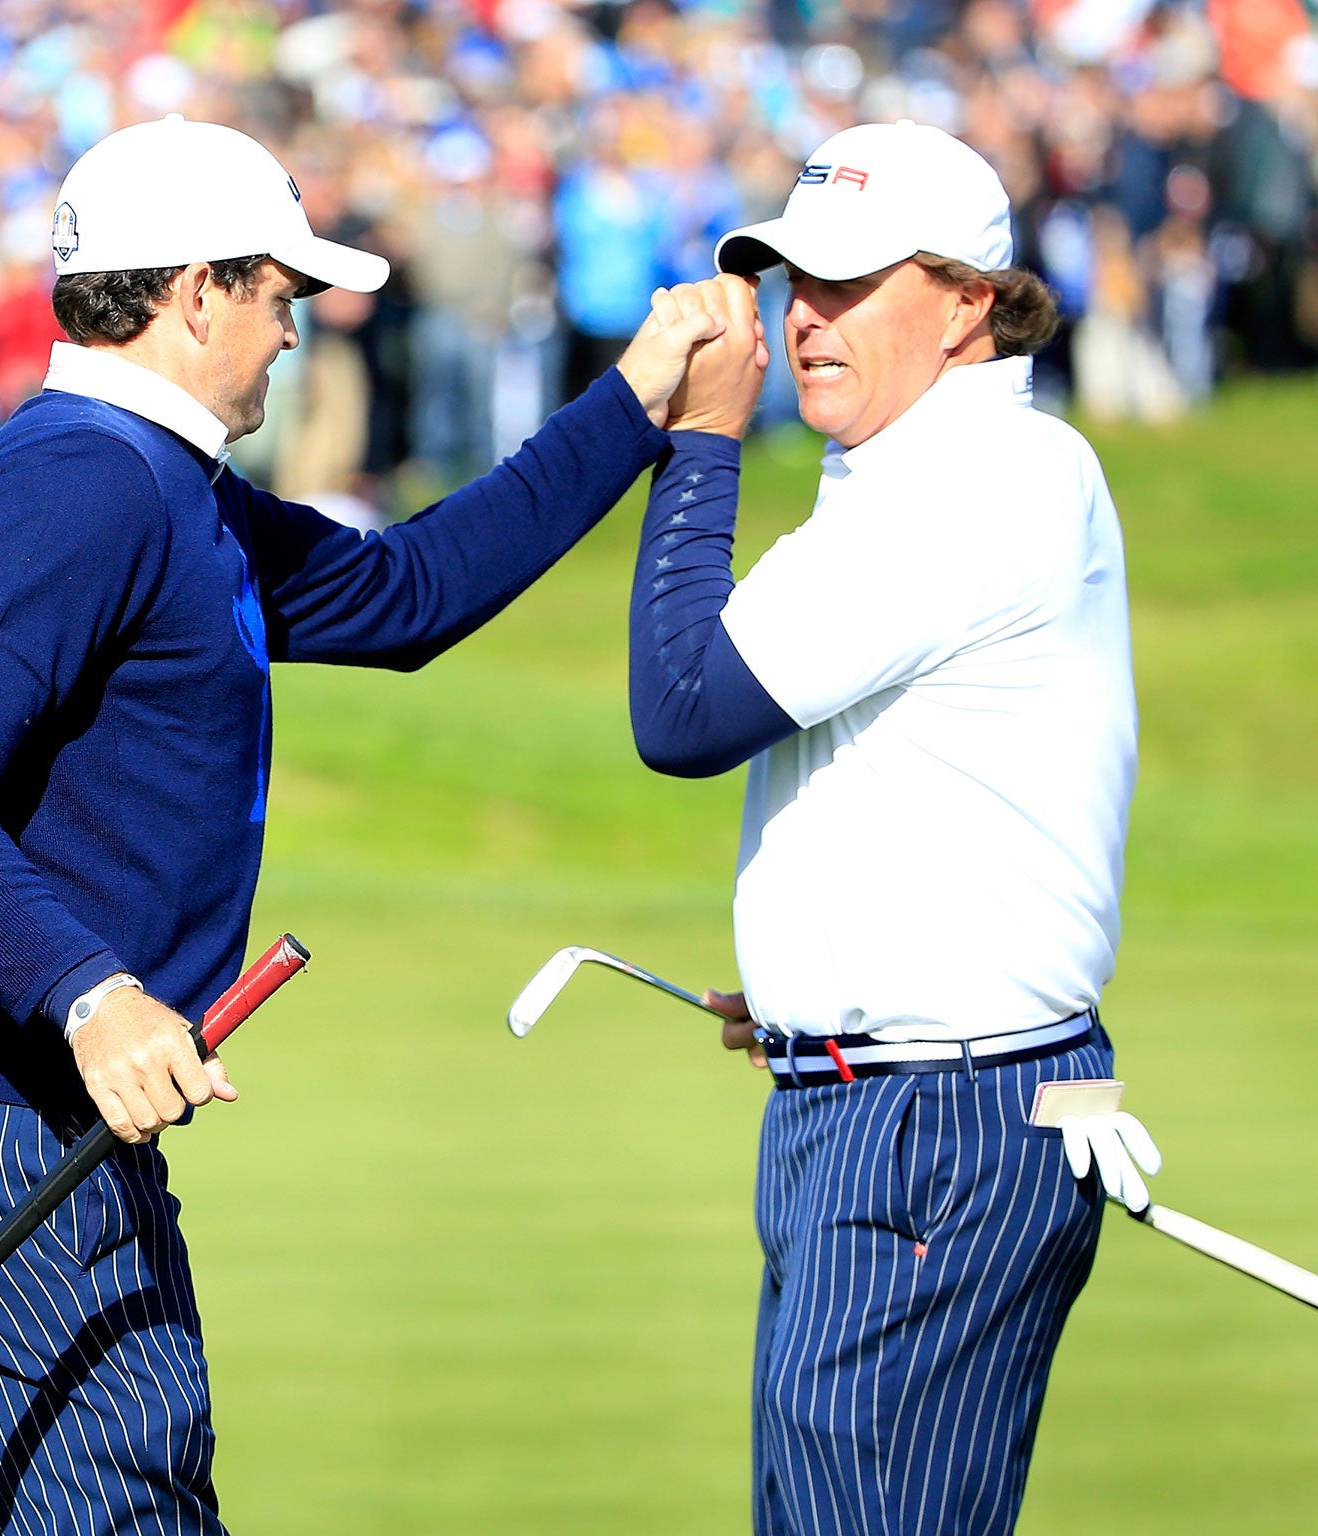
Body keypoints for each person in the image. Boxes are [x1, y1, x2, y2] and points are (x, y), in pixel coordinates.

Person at [0, 114, 725, 1535]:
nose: (296, 329)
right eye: (281, 293)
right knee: (132, 1499)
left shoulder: (170, 485)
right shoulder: (87, 479)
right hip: (1, 1129)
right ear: (195, 289)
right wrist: (92, 995)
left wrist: (632, 404)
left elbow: (407, 598)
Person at [623, 121, 1161, 1535]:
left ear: (970, 298)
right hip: (905, 1095)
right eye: (796, 278)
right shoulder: (937, 480)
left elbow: (682, 713)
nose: (805, 315)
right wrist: (820, 971)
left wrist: (699, 447)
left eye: (851, 284)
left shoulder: (971, 485)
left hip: (933, 1116)